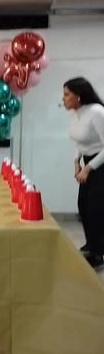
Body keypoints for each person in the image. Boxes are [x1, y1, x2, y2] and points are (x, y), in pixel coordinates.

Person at [63, 77, 104, 268]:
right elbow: (79, 141)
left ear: (78, 97)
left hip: (100, 163)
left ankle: (97, 255)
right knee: (84, 206)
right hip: (87, 161)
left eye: (66, 94)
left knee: (96, 209)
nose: (63, 99)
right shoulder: (76, 113)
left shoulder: (96, 112)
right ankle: (92, 244)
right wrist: (76, 161)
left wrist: (89, 168)